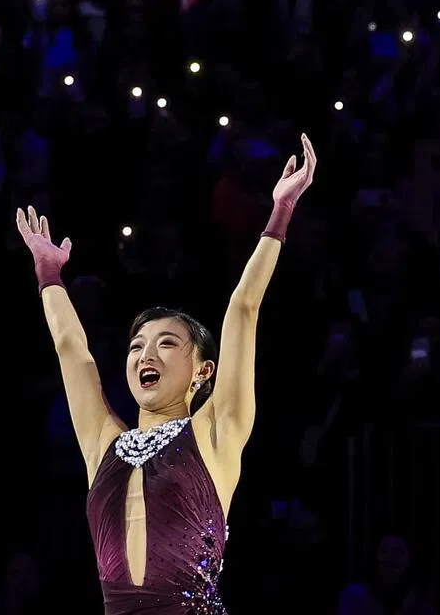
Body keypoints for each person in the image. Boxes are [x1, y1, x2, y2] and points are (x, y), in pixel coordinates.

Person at [16, 135, 317, 614]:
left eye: (167, 343)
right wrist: (49, 274)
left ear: (203, 371)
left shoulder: (217, 433)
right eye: (137, 345)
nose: (144, 354)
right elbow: (73, 351)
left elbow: (242, 308)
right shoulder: (102, 444)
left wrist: (279, 212)